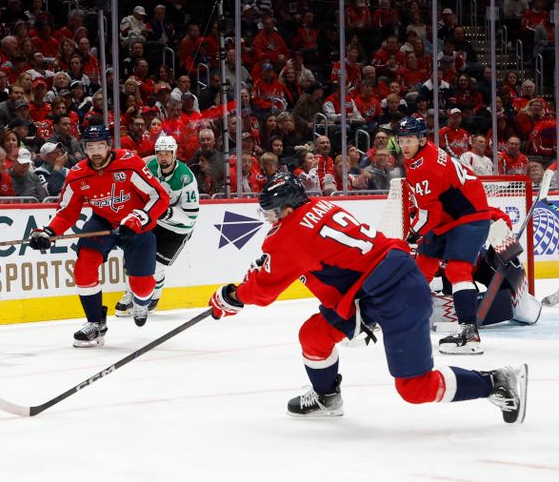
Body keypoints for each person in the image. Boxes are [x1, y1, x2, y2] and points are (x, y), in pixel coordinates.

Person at [208, 173, 527, 424]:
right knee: (314, 335)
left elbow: (264, 291)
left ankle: (496, 381)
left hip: (395, 290)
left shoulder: (289, 236)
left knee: (415, 388)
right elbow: (312, 262)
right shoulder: (319, 207)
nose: (271, 219)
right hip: (370, 289)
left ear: (288, 209)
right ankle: (326, 397)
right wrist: (264, 272)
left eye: (274, 213)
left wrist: (232, 296)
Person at [28, 125, 169, 346]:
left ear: (108, 146)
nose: (95, 152)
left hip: (135, 223)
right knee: (84, 265)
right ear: (84, 149)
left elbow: (159, 196)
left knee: (142, 288)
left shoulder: (129, 163)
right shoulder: (78, 174)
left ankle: (141, 302)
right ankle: (95, 323)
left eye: (100, 146)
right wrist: (48, 232)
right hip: (103, 222)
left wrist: (140, 217)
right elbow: (66, 212)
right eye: (90, 147)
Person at [396, 116, 492, 355]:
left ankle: (469, 333)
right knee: (421, 267)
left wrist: (409, 237)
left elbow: (430, 215)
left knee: (457, 270)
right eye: (400, 141)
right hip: (448, 216)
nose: (404, 146)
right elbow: (434, 210)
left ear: (421, 139)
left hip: (469, 216)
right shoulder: (421, 155)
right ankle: (405, 318)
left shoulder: (426, 166)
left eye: (409, 140)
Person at [115, 136, 199, 316]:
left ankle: (153, 298)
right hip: (154, 222)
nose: (163, 157)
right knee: (132, 255)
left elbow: (190, 216)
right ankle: (131, 293)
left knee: (155, 267)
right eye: (159, 153)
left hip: (177, 230)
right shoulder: (150, 167)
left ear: (174, 154)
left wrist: (164, 212)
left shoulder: (186, 178)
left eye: (167, 153)